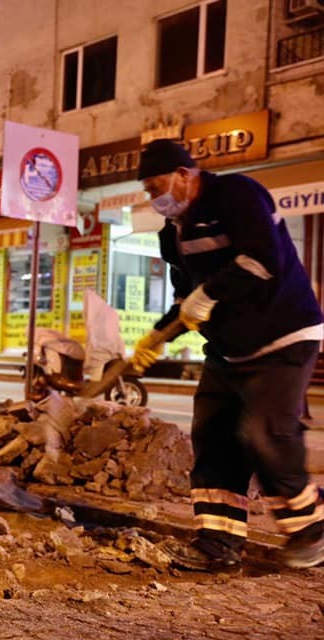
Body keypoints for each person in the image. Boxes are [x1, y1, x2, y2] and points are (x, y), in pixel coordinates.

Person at [132, 139, 324, 571]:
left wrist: (210, 293)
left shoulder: (236, 193)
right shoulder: (173, 233)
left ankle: (312, 529)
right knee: (214, 434)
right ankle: (218, 543)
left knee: (265, 433)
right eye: (146, 190)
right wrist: (159, 335)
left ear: (185, 174)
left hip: (283, 335)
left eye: (155, 185)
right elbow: (187, 299)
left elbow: (263, 259)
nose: (153, 197)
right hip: (228, 347)